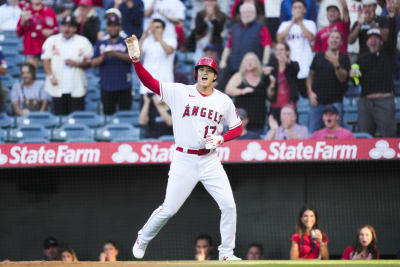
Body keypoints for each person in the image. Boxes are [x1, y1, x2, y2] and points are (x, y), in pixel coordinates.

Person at [125, 34, 242, 261]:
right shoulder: (180, 91)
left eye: (208, 70)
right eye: (201, 69)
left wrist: (221, 139)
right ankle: (143, 236)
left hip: (210, 160)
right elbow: (149, 82)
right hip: (184, 160)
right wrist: (136, 61)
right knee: (169, 209)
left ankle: (226, 253)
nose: (204, 73)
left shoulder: (223, 100)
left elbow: (237, 128)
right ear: (196, 72)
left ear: (215, 76)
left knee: (229, 206)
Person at [41, 15, 93, 115]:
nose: (66, 29)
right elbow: (45, 60)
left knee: (77, 119)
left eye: (70, 26)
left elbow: (90, 62)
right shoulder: (52, 40)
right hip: (57, 87)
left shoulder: (83, 41)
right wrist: (51, 76)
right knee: (59, 118)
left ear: (75, 28)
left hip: (77, 87)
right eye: (64, 25)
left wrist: (76, 63)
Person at [350, 27, 397, 137]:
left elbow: (392, 38)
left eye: (376, 38)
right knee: (364, 137)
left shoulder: (388, 55)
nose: (373, 40)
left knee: (389, 136)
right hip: (365, 102)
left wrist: (390, 17)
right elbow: (356, 82)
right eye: (370, 38)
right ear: (367, 42)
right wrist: (352, 76)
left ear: (381, 42)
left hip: (385, 100)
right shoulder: (361, 59)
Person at [219, 3, 272, 91]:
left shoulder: (261, 27)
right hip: (235, 66)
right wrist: (223, 60)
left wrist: (265, 63)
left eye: (250, 12)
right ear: (240, 13)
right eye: (245, 12)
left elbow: (267, 46)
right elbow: (228, 47)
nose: (247, 14)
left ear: (255, 13)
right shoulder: (234, 28)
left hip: (252, 69)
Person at [307, 30, 350, 133]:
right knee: (314, 135)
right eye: (332, 37)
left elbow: (343, 78)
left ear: (341, 42)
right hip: (317, 103)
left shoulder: (344, 58)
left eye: (337, 38)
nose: (334, 40)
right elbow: (310, 76)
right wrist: (310, 92)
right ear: (328, 40)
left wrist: (336, 64)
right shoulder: (318, 56)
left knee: (337, 136)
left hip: (335, 104)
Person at [91, 13, 132, 115]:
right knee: (108, 115)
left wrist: (115, 54)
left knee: (125, 116)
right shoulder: (101, 43)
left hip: (124, 86)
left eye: (115, 25)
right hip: (107, 86)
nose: (113, 28)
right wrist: (103, 56)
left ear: (120, 27)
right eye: (110, 25)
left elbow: (133, 58)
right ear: (107, 27)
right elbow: (93, 63)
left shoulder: (128, 41)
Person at [225, 52, 275, 133]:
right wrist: (242, 91)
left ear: (257, 63)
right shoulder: (239, 76)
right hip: (242, 121)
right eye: (247, 60)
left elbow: (270, 96)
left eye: (252, 60)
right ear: (243, 63)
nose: (249, 62)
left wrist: (272, 85)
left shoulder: (263, 76)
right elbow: (228, 90)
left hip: (259, 120)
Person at [277, 0, 317, 97]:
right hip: (290, 65)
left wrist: (300, 23)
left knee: (306, 96)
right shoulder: (285, 24)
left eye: (299, 7)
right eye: (295, 8)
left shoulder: (310, 23)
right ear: (291, 10)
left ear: (304, 10)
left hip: (306, 63)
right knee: (291, 97)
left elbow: (311, 37)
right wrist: (292, 22)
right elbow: (279, 38)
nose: (297, 10)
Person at [139, 18, 177, 95]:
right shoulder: (146, 41)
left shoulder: (171, 40)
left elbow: (169, 51)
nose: (155, 30)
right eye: (153, 27)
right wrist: (143, 38)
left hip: (164, 86)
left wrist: (159, 38)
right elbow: (138, 55)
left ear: (163, 30)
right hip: (147, 86)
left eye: (158, 27)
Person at [16, 0, 59, 67]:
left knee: (50, 73)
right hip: (31, 48)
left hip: (47, 47)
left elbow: (57, 29)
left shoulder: (49, 11)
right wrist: (23, 21)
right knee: (30, 73)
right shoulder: (26, 11)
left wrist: (51, 31)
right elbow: (19, 33)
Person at [266, 41, 300, 123]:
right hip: (275, 106)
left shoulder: (293, 65)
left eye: (281, 49)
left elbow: (296, 69)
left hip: (290, 107)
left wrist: (287, 61)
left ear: (287, 52)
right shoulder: (271, 67)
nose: (279, 52)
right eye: (277, 50)